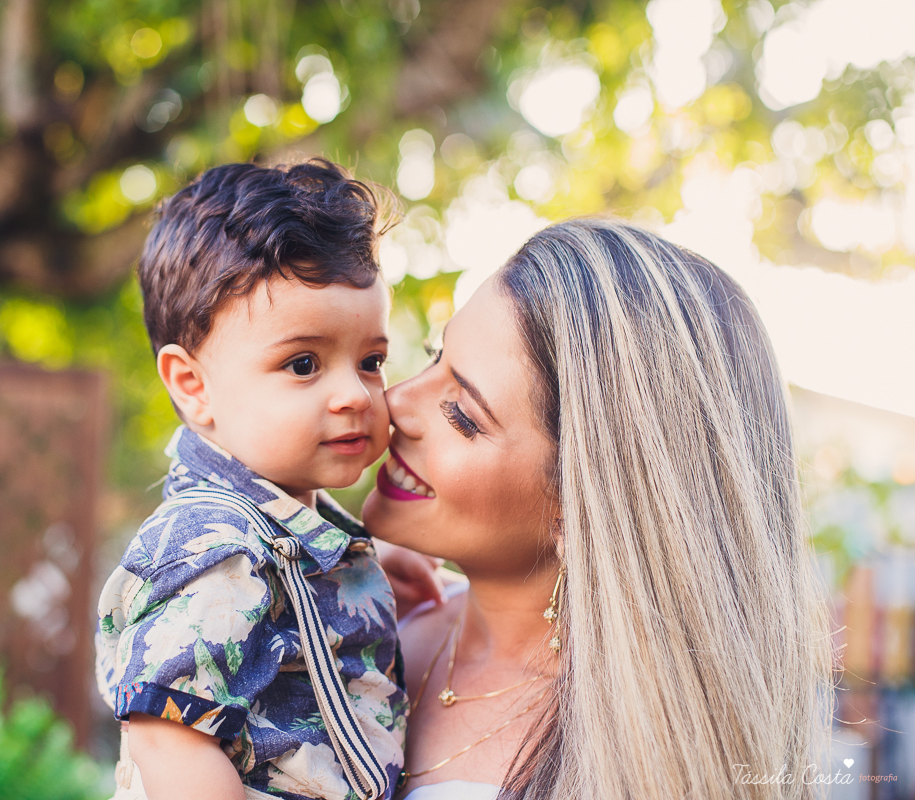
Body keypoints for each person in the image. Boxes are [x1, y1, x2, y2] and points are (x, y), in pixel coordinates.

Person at [363, 218, 836, 799]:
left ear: (577, 505)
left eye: (463, 414)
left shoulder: (634, 766)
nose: (394, 401)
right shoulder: (367, 614)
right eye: (436, 356)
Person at [95, 159, 423, 800]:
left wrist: (364, 570)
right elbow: (168, 734)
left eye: (371, 361)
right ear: (194, 386)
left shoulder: (284, 535)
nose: (353, 394)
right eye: (304, 364)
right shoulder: (212, 545)